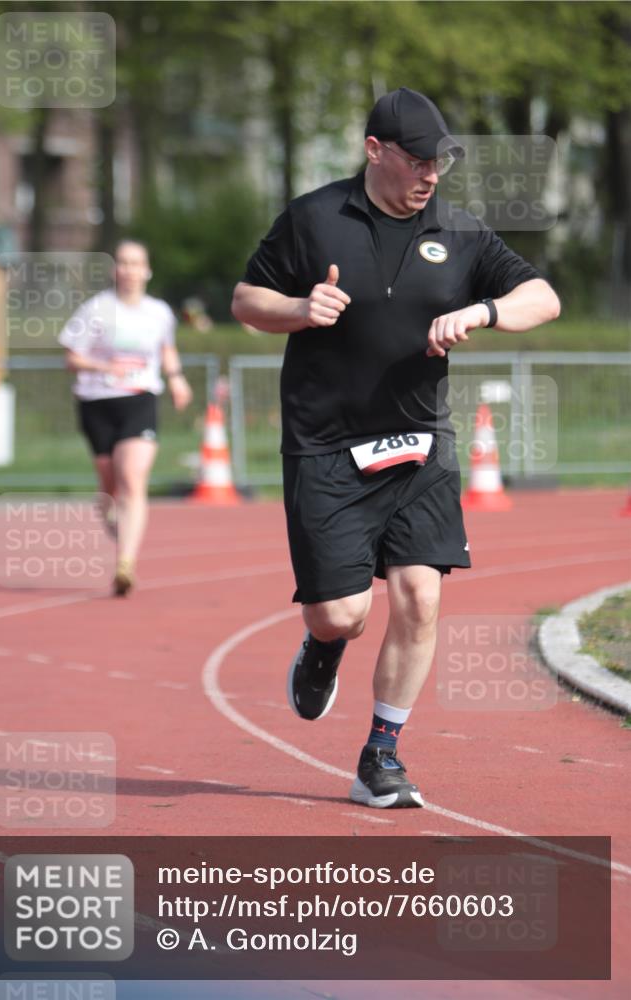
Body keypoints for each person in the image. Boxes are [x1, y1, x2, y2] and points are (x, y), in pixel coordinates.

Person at [231, 88, 560, 808]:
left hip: (420, 446)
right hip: (325, 445)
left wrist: (485, 309)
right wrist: (297, 309)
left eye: (438, 161)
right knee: (342, 613)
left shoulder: (460, 229)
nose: (429, 174)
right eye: (415, 159)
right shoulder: (314, 217)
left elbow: (544, 297)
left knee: (419, 595)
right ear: (373, 151)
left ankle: (380, 755)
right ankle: (323, 647)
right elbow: (245, 299)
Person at [59, 239, 192, 596]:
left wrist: (177, 379)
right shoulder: (96, 310)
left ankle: (125, 564)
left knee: (132, 477)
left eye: (136, 263)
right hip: (97, 401)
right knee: (110, 485)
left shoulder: (159, 312)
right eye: (123, 262)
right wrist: (105, 366)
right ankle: (112, 517)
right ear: (114, 269)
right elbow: (71, 358)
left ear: (146, 270)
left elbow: (167, 348)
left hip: (140, 399)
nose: (130, 269)